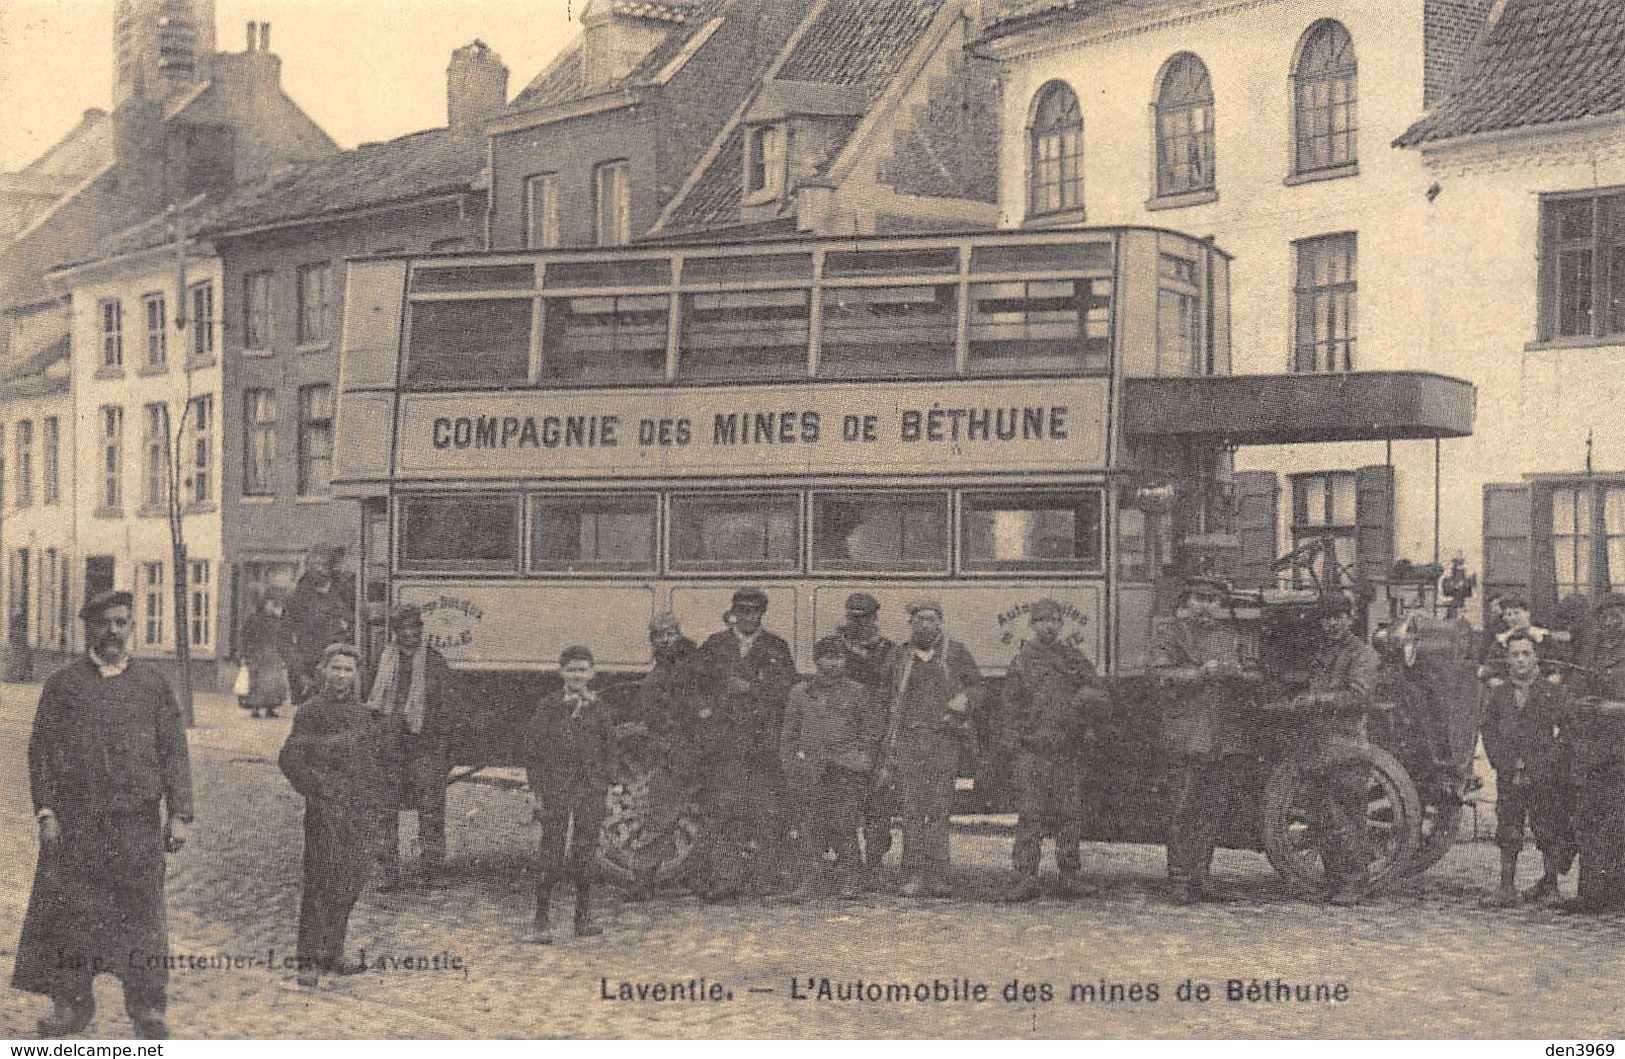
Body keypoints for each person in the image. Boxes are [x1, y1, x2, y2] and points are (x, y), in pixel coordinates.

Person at [12, 590, 194, 1040]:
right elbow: (42, 752)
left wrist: (180, 813)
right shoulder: (64, 684)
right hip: (76, 825)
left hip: (136, 824)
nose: (113, 632)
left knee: (143, 916)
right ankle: (72, 1005)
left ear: (130, 627)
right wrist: (46, 811)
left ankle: (147, 1007)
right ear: (88, 628)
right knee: (71, 916)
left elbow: (173, 750)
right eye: (104, 623)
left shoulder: (152, 683)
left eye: (121, 622)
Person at [1149, 577, 1260, 904]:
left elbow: (1255, 674)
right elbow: (1159, 674)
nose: (1206, 606)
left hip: (1222, 735)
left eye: (1213, 600)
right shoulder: (1169, 634)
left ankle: (1202, 876)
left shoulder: (1231, 636)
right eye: (1199, 598)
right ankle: (1180, 880)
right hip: (1186, 734)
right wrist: (1201, 673)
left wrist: (1239, 673)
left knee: (1212, 809)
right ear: (1186, 602)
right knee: (1183, 808)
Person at [278, 643, 383, 986]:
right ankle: (308, 960)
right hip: (325, 809)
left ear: (357, 676)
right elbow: (291, 759)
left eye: (348, 670)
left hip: (358, 809)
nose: (341, 676)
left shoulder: (364, 714)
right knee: (321, 880)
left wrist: (371, 796)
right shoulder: (311, 712)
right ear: (323, 670)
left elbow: (372, 761)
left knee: (350, 879)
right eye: (336, 668)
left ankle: (334, 952)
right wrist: (319, 787)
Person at [688, 588, 797, 901]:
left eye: (754, 612)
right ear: (733, 613)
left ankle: (764, 880)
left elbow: (786, 690)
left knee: (766, 813)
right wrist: (705, 711)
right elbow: (697, 685)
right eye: (743, 611)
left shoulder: (776, 647)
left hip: (763, 743)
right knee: (724, 810)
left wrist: (751, 687)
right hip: (725, 742)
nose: (748, 618)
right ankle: (726, 878)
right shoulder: (715, 646)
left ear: (762, 614)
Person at [1000, 598, 1109, 902]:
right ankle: (1024, 876)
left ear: (1061, 625)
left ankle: (1070, 876)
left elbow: (1099, 693)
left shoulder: (1073, 658)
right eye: (1042, 621)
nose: (1049, 627)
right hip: (1033, 749)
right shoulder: (1022, 661)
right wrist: (1015, 742)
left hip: (1067, 748)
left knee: (1070, 815)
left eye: (1054, 621)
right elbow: (1010, 705)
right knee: (1030, 814)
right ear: (1032, 625)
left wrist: (1082, 706)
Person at [882, 599, 982, 899]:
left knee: (938, 810)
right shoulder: (900, 656)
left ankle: (938, 875)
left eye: (931, 619)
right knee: (911, 810)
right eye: (919, 619)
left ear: (940, 622)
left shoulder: (956, 653)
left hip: (943, 740)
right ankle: (912, 874)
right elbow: (885, 693)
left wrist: (965, 699)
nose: (925, 625)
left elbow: (978, 687)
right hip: (910, 742)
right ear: (910, 623)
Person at [1292, 595, 1382, 906]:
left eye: (1339, 617)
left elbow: (1359, 697)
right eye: (1327, 618)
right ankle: (1334, 881)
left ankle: (1355, 882)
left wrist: (1315, 701)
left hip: (1346, 745)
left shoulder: (1363, 655)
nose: (1332, 623)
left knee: (1346, 818)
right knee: (1322, 818)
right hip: (1319, 745)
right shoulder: (1325, 653)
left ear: (1350, 618)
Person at [523, 645, 616, 943]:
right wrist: (537, 788)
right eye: (571, 669)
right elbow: (534, 750)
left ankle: (583, 917)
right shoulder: (549, 706)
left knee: (585, 853)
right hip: (557, 789)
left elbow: (610, 748)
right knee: (551, 851)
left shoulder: (599, 708)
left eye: (582, 669)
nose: (577, 675)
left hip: (590, 790)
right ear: (561, 672)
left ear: (592, 673)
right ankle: (541, 920)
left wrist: (607, 784)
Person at [779, 636, 879, 901]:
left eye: (839, 658)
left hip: (847, 771)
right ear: (816, 660)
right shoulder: (800, 693)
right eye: (827, 657)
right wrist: (792, 767)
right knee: (810, 826)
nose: (833, 664)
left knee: (844, 825)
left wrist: (862, 763)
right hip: (812, 769)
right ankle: (810, 880)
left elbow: (870, 733)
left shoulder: (858, 692)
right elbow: (789, 736)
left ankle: (851, 878)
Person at [1479, 632, 1573, 907]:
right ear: (1507, 660)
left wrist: (1547, 763)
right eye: (1515, 655)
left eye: (1526, 654)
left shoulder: (1553, 692)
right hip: (1509, 773)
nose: (1520, 660)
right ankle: (1506, 887)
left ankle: (1551, 886)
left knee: (1547, 826)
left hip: (1544, 774)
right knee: (1508, 826)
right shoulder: (1500, 694)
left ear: (1536, 658)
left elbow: (1566, 732)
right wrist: (1502, 763)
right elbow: (1489, 730)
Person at [368, 602, 455, 891]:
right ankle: (387, 871)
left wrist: (439, 744)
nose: (409, 634)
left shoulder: (434, 662)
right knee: (384, 807)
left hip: (424, 742)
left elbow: (445, 707)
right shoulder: (383, 661)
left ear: (420, 630)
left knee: (431, 807)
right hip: (390, 742)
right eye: (402, 629)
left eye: (413, 628)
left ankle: (432, 868)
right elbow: (372, 704)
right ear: (395, 633)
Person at [621, 613, 698, 902]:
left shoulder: (692, 666)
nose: (666, 640)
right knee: (660, 814)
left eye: (670, 633)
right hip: (669, 750)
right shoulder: (661, 672)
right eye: (659, 636)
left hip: (691, 747)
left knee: (670, 814)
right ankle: (644, 880)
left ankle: (649, 881)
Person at [1564, 592, 1625, 912]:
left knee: (1618, 824)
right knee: (1588, 822)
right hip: (1591, 752)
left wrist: (1605, 708)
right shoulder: (1590, 655)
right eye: (1604, 618)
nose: (1611, 623)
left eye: (1616, 616)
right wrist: (1578, 705)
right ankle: (1589, 894)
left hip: (1621, 753)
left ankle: (1617, 893)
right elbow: (1571, 695)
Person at [835, 592, 898, 887]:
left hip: (878, 735)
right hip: (847, 736)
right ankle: (850, 867)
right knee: (845, 809)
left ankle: (873, 865)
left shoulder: (889, 651)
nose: (858, 624)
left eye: (864, 619)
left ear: (875, 618)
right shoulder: (836, 648)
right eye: (853, 618)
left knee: (879, 807)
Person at [285, 545, 355, 703]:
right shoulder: (297, 597)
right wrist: (299, 673)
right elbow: (285, 638)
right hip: (309, 670)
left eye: (322, 564)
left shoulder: (347, 593)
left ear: (331, 567)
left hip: (342, 669)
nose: (318, 570)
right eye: (312, 565)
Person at [237, 592, 291, 719]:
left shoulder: (276, 620)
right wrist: (244, 654)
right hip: (257, 654)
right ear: (263, 605)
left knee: (273, 683)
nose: (272, 606)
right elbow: (245, 637)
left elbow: (282, 637)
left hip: (272, 654)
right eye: (270, 604)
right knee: (256, 682)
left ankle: (270, 708)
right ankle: (255, 708)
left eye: (273, 604)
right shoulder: (253, 620)